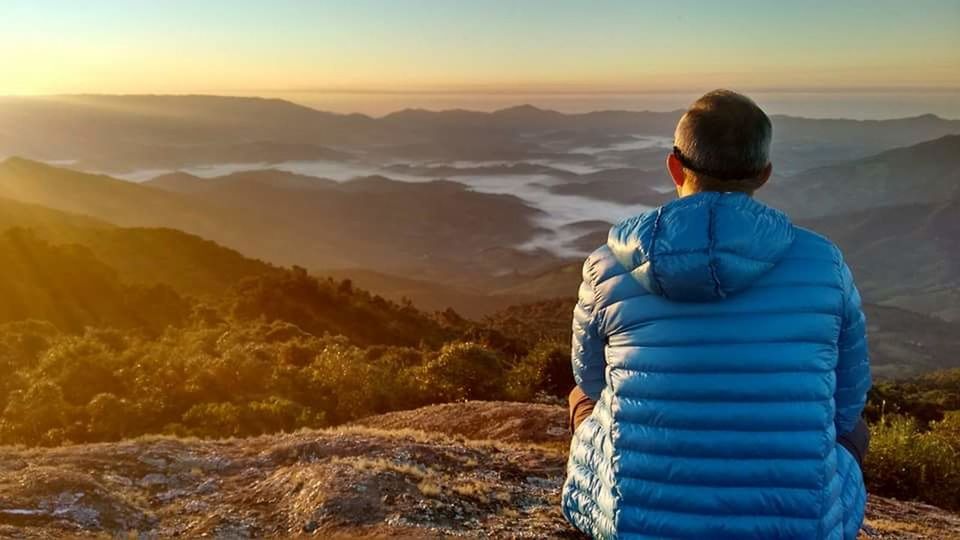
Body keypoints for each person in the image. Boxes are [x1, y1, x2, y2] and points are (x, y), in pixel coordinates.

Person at [561, 89, 871, 540]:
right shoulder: (824, 263)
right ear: (764, 174)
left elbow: (590, 379)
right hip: (795, 524)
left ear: (674, 166)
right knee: (853, 428)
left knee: (581, 399)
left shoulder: (606, 265)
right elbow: (849, 397)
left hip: (637, 523)